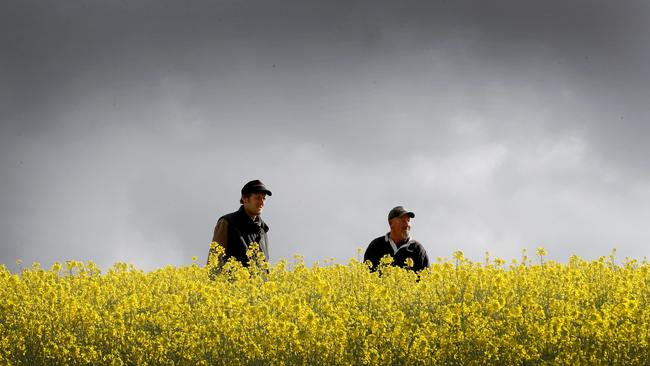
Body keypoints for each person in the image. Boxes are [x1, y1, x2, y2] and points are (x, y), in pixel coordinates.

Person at [207, 179, 272, 267]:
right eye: (258, 198)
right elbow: (214, 262)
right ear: (245, 198)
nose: (262, 202)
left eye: (264, 198)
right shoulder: (227, 223)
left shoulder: (263, 230)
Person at [363, 206, 430, 272]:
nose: (407, 225)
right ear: (391, 223)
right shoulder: (376, 245)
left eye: (408, 221)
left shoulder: (418, 250)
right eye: (403, 221)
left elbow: (426, 280)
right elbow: (366, 273)